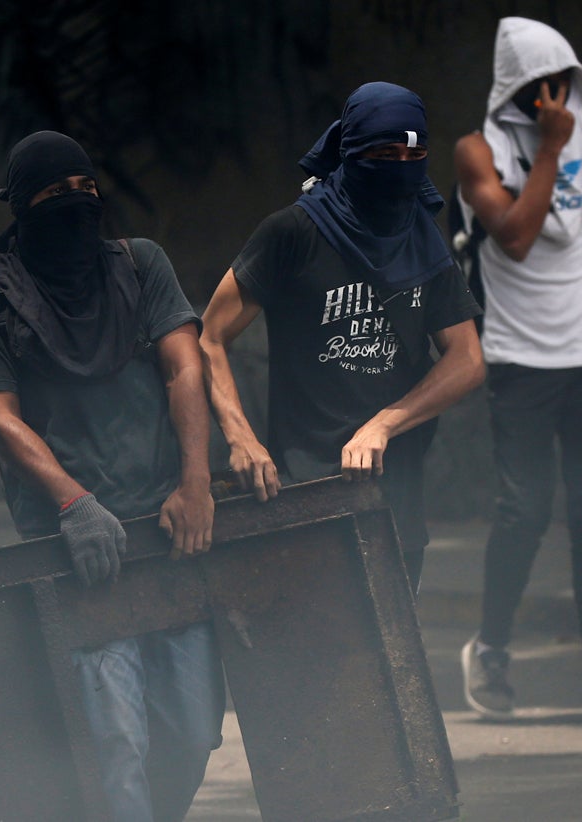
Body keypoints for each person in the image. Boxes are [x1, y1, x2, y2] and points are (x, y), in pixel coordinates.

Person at [0, 131, 223, 822]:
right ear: (20, 210)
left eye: (85, 191)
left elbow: (183, 365)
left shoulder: (140, 266)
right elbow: (0, 416)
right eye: (53, 197)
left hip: (167, 531)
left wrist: (195, 480)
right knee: (116, 742)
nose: (75, 206)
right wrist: (72, 502)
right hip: (80, 547)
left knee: (194, 732)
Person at [200, 82, 484, 592]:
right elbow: (210, 337)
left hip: (396, 501)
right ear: (352, 153)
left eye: (414, 154)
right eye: (385, 154)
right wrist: (240, 437)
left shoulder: (423, 241)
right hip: (304, 492)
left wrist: (384, 423)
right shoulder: (293, 233)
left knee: (396, 666)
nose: (402, 165)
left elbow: (466, 359)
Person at [453, 18, 582, 725]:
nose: (553, 100)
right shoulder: (481, 150)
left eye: (562, 86)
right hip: (522, 362)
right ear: (516, 91)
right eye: (539, 89)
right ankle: (492, 651)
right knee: (524, 511)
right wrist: (551, 152)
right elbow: (519, 236)